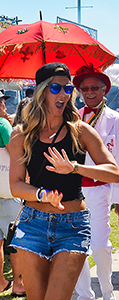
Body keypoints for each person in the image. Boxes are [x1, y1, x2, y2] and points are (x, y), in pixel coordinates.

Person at [9, 62, 119, 300]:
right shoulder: (21, 134)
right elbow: (16, 185)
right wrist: (42, 194)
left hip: (72, 226)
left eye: (68, 89)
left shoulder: (80, 131)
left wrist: (75, 168)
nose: (63, 95)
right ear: (41, 92)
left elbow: (114, 172)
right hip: (32, 224)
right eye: (56, 88)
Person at [73, 64, 119, 300]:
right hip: (73, 190)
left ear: (105, 89)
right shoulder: (72, 117)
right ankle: (84, 294)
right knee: (77, 247)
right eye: (84, 88)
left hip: (100, 189)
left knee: (99, 245)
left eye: (94, 87)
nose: (89, 91)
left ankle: (107, 291)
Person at [0, 91, 25, 297]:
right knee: (15, 242)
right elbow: (16, 153)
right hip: (8, 192)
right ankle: (18, 284)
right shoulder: (2, 125)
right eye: (1, 101)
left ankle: (0, 282)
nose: (4, 105)